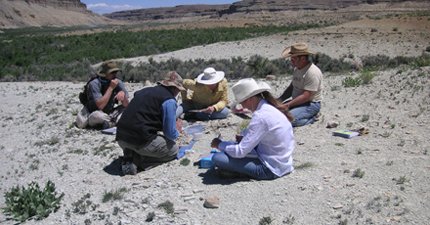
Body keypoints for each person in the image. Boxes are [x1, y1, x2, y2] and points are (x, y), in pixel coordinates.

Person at [210, 78, 295, 180]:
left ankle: (241, 173)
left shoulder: (260, 116)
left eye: (242, 103)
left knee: (218, 158)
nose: (242, 106)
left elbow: (240, 152)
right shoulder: (270, 108)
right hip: (283, 163)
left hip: (269, 168)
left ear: (250, 100)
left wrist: (219, 144)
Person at [116, 71, 185, 175]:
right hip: (139, 141)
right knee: (173, 150)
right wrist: (177, 131)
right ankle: (137, 160)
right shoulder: (169, 101)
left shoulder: (144, 91)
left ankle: (130, 153)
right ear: (175, 88)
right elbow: (169, 133)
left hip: (121, 137)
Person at [278, 42, 323, 127]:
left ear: (302, 59)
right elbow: (291, 88)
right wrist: (279, 100)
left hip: (310, 104)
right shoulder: (297, 69)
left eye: (293, 58)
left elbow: (306, 97)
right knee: (274, 115)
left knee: (288, 120)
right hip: (296, 101)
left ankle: (312, 118)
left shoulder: (312, 73)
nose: (291, 61)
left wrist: (287, 105)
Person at [85, 60, 129, 129]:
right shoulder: (94, 84)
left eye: (116, 72)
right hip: (95, 113)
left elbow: (126, 105)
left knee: (128, 109)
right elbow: (100, 106)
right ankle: (113, 122)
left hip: (110, 112)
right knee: (97, 116)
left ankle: (110, 123)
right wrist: (111, 88)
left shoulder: (118, 82)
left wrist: (123, 95)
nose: (115, 75)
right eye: (112, 73)